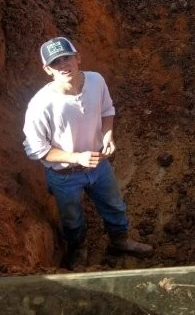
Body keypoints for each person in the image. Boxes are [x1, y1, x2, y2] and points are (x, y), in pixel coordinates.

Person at [23, 36, 153, 269]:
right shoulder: (41, 105)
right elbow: (36, 149)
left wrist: (107, 135)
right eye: (56, 63)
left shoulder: (96, 81)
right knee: (72, 220)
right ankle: (78, 249)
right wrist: (76, 157)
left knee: (114, 206)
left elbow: (107, 110)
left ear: (78, 58)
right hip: (65, 175)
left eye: (67, 58)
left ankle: (119, 241)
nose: (63, 65)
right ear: (47, 70)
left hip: (99, 165)